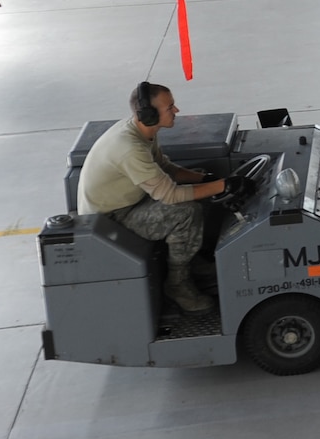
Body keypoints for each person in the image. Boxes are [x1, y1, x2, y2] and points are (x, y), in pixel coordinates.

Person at [75, 82, 227, 314]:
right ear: (149, 114)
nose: (176, 111)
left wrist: (203, 178)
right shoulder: (129, 148)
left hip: (130, 201)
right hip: (111, 219)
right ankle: (178, 285)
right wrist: (223, 185)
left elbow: (164, 167)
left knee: (199, 192)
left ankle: (189, 258)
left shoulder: (142, 130)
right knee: (187, 212)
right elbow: (170, 195)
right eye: (170, 107)